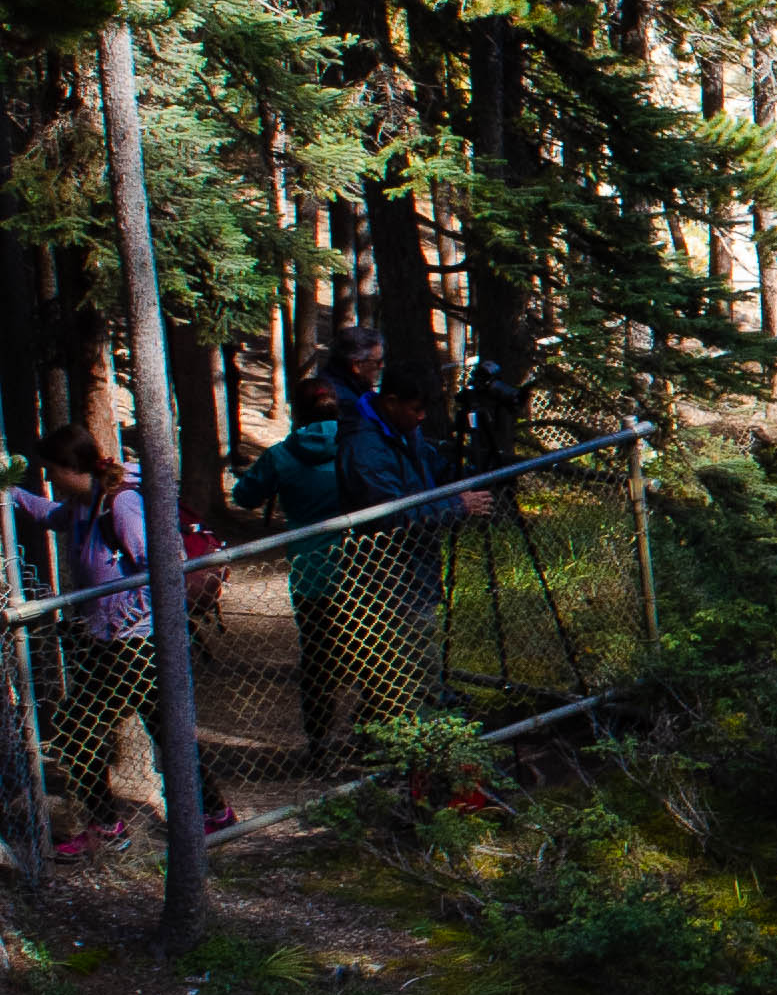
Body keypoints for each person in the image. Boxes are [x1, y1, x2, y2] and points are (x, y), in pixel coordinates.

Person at [9, 423, 234, 842]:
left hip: (134, 642)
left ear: (69, 466)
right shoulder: (82, 503)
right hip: (109, 640)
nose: (50, 479)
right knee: (165, 726)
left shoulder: (122, 504)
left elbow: (161, 569)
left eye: (51, 470)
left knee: (78, 727)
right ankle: (214, 811)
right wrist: (13, 496)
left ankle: (105, 825)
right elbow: (52, 516)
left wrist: (122, 618)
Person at [330, 325, 490, 727]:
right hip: (386, 581)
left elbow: (429, 470)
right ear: (391, 401)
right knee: (402, 672)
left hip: (415, 573)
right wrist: (458, 505)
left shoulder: (405, 431)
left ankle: (405, 736)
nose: (421, 418)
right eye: (415, 410)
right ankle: (403, 747)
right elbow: (391, 515)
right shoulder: (364, 447)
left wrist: (462, 470)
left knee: (418, 664)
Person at [230, 332, 358, 755]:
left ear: (297, 413)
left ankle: (319, 743)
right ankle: (371, 742)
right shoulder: (357, 445)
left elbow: (245, 497)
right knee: (371, 656)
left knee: (318, 662)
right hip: (362, 569)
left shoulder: (281, 455)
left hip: (310, 574)